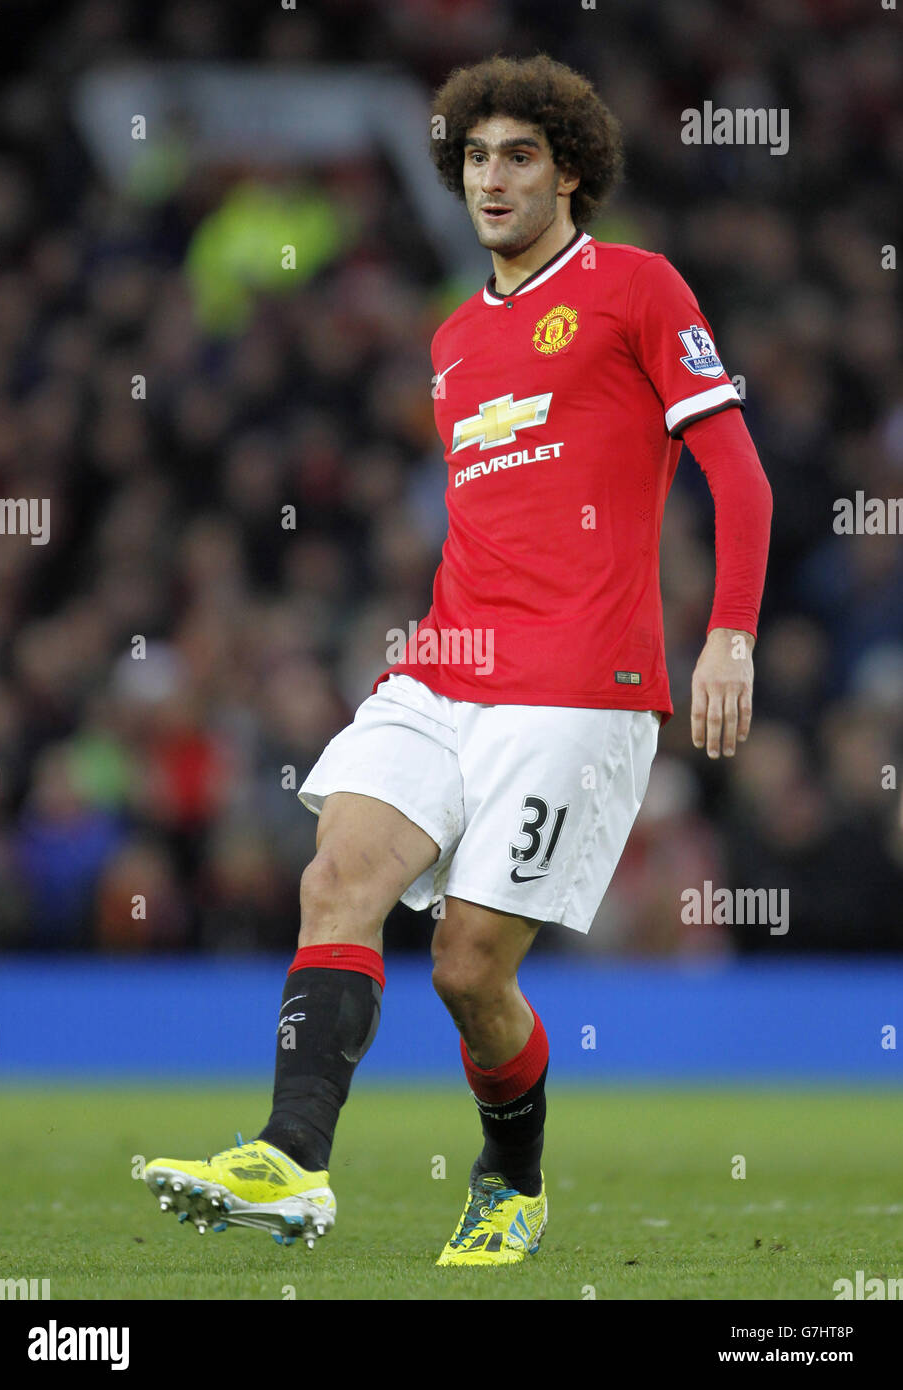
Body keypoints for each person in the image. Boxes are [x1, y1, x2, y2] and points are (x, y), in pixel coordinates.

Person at [144, 54, 772, 1266]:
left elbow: (735, 471)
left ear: (570, 170)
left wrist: (729, 634)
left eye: (519, 155)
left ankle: (512, 1180)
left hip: (581, 686)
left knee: (468, 968)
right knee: (336, 879)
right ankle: (290, 1160)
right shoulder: (450, 344)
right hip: (440, 669)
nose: (492, 177)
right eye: (476, 156)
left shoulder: (636, 287)